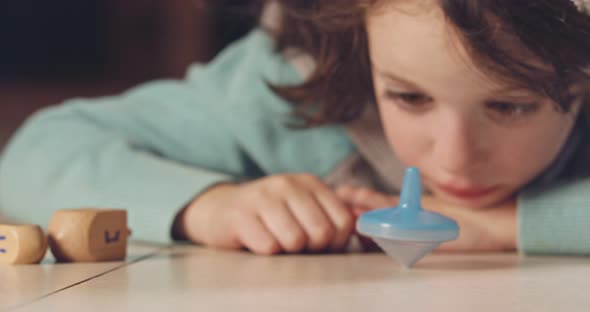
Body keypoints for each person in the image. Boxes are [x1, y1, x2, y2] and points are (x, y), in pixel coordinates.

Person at [0, 0, 589, 256]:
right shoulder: (288, 89)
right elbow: (34, 153)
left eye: (511, 106)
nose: (456, 160)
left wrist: (508, 226)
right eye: (409, 97)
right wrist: (212, 207)